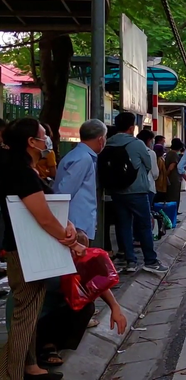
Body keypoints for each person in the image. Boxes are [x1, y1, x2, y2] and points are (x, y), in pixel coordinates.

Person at [0, 117, 86, 380]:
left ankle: (29, 366)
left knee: (27, 313)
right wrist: (70, 240)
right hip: (25, 251)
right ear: (31, 142)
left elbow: (50, 203)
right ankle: (11, 374)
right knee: (25, 317)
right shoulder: (20, 171)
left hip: (24, 249)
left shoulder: (20, 167)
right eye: (42, 135)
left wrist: (68, 224)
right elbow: (44, 216)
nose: (46, 139)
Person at [5, 232, 127, 368]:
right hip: (31, 323)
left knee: (87, 307)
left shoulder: (75, 266)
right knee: (81, 306)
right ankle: (44, 347)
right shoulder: (51, 269)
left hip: (48, 318)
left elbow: (97, 284)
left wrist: (115, 307)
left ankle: (51, 345)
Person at [105, 112, 168, 274]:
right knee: (144, 225)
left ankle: (130, 261)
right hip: (137, 191)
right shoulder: (137, 144)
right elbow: (148, 165)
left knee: (124, 225)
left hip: (117, 192)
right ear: (132, 127)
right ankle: (150, 260)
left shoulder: (108, 143)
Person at [53, 119, 107, 243]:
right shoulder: (83, 158)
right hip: (77, 224)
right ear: (100, 139)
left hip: (77, 222)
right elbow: (64, 192)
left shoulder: (79, 155)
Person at [136, 130, 159, 210]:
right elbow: (155, 173)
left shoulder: (133, 149)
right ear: (149, 140)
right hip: (148, 187)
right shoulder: (151, 153)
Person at [164, 139, 184, 214]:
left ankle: (174, 212)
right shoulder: (174, 154)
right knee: (174, 197)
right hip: (173, 179)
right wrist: (166, 174)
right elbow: (172, 166)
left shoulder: (169, 153)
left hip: (173, 178)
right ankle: (173, 213)